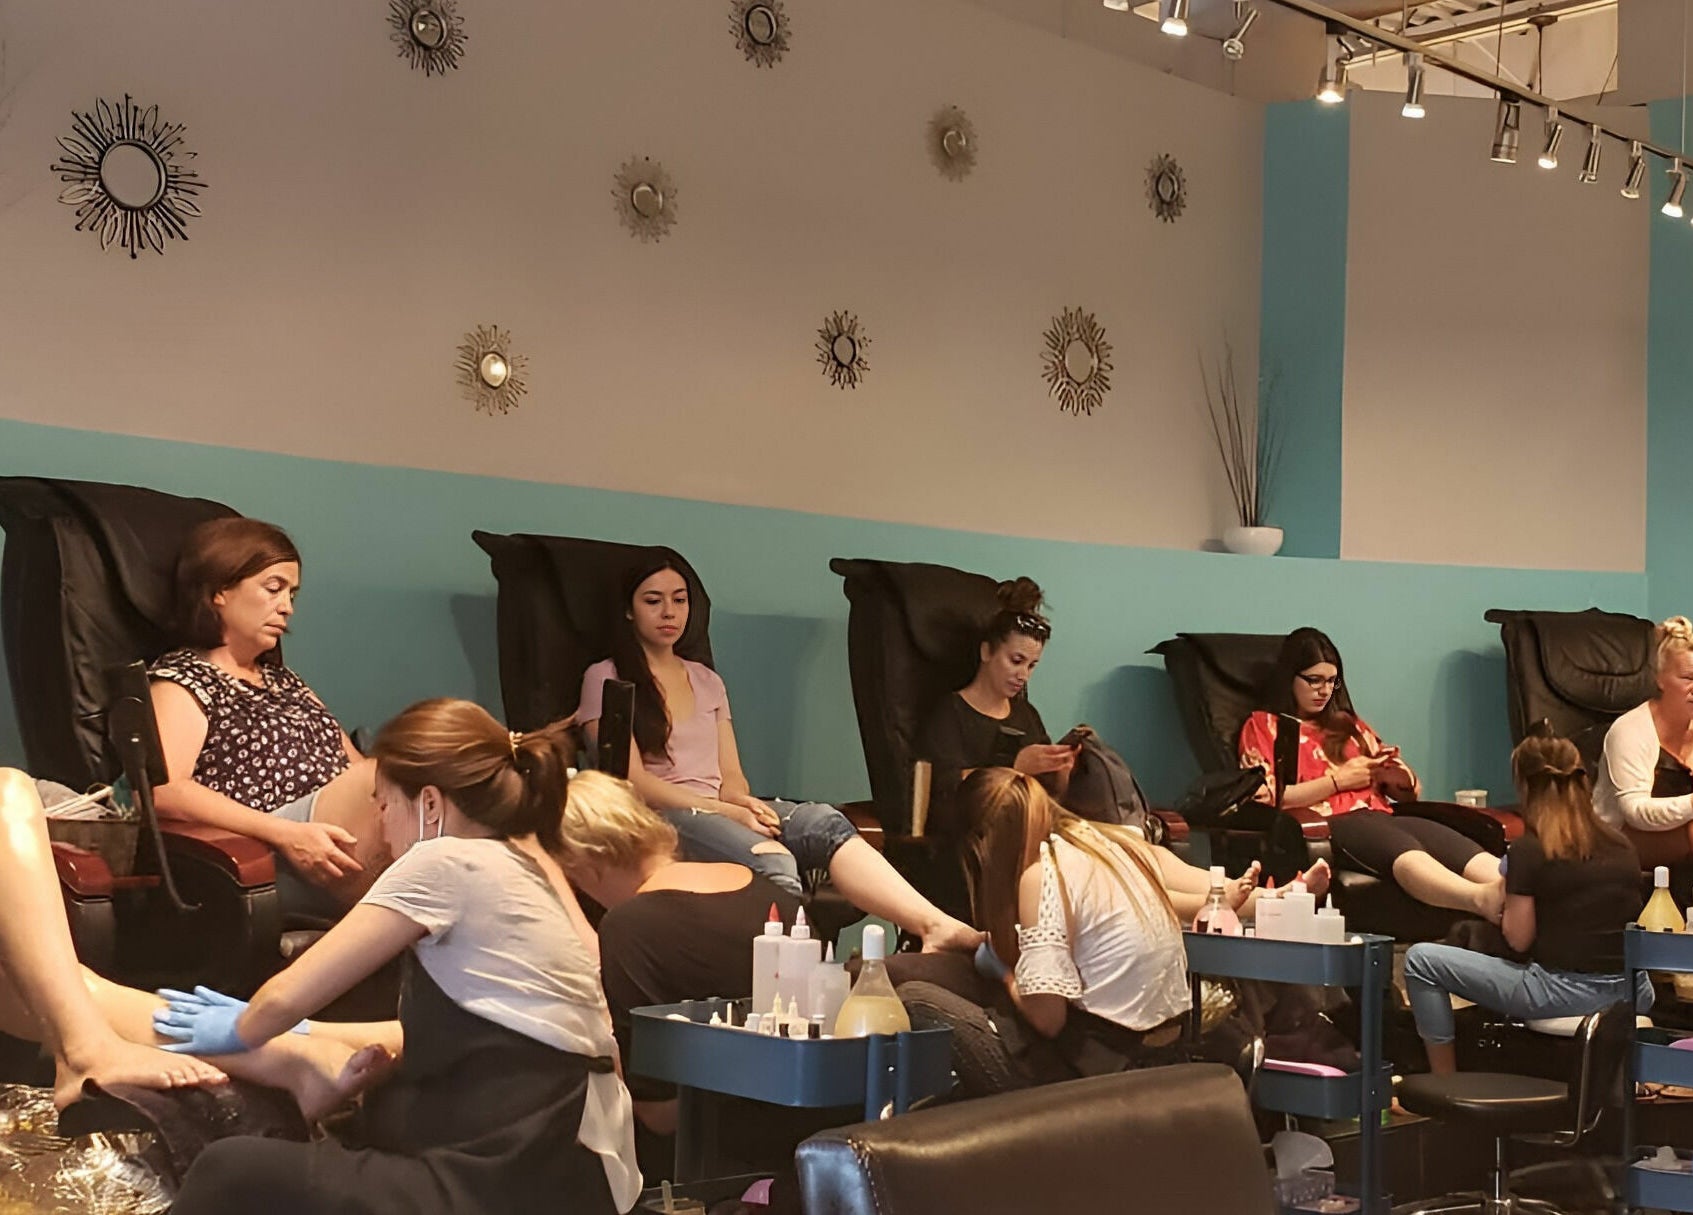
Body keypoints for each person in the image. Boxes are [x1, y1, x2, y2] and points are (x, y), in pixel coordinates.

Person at [153, 700, 641, 1215]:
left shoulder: (443, 860)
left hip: (505, 1170)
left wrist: (233, 1029)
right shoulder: (522, 866)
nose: (382, 828)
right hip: (569, 1168)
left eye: (383, 804)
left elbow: (283, 998)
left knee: (229, 1171)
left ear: (429, 804)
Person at [577, 557, 979, 952]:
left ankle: (934, 924)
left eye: (680, 600)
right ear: (629, 612)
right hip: (661, 818)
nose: (670, 612)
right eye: (653, 600)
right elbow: (632, 782)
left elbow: (730, 773)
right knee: (776, 859)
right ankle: (796, 974)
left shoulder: (707, 680)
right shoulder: (606, 677)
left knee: (824, 822)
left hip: (717, 809)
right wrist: (722, 811)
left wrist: (740, 801)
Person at [919, 577, 1324, 919]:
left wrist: (1060, 768)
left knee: (1138, 847)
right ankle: (1235, 904)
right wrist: (1016, 764)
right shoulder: (950, 714)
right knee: (1118, 866)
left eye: (1032, 666)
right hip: (994, 838)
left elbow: (1052, 796)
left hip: (1046, 823)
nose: (1022, 675)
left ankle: (1258, 897)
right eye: (1015, 661)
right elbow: (946, 792)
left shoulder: (1026, 716)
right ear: (987, 651)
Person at [0, 768, 387, 1118]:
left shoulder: (291, 690)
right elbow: (164, 790)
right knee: (6, 791)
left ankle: (287, 1049)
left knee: (45, 982)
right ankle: (286, 1049)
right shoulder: (189, 690)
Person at [900, 768, 1191, 1096]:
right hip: (1167, 1053)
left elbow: (1048, 1020)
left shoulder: (1043, 876)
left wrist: (1006, 975)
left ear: (983, 843)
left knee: (916, 998)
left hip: (1101, 1071)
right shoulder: (1107, 844)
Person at [149, 517, 384, 916]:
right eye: (273, 588)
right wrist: (288, 834)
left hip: (329, 828)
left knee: (437, 779)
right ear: (219, 591)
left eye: (292, 594)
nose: (287, 607)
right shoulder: (182, 680)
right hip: (268, 845)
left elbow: (357, 769)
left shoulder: (284, 681)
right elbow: (163, 790)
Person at [555, 769, 803, 1137]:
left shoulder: (629, 928)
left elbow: (660, 1115)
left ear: (586, 866)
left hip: (715, 1154)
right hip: (806, 1124)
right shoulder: (769, 892)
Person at [1403, 731, 1649, 1074]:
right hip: (1633, 991)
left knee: (1421, 961)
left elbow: (1518, 938)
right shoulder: (1621, 844)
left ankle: (1444, 1080)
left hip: (1562, 992)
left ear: (1525, 786)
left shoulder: (1530, 850)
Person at [1238, 627, 1504, 920]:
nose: (1324, 690)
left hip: (1384, 814)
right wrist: (1338, 782)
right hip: (1331, 824)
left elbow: (1400, 783)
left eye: (1331, 682)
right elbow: (1267, 798)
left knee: (1455, 846)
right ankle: (1481, 901)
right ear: (1289, 678)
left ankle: (1520, 896)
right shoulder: (1266, 726)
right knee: (1405, 850)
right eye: (1313, 680)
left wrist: (1401, 782)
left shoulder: (1347, 724)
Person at [1593, 615, 1693, 867]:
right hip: (1616, 843)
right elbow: (1635, 812)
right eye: (1688, 678)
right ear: (1660, 679)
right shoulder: (1630, 730)